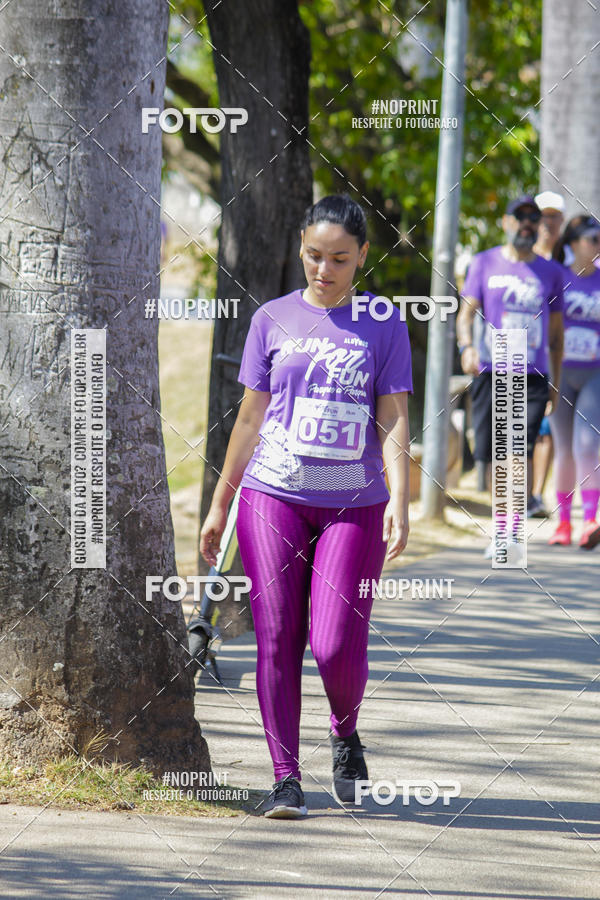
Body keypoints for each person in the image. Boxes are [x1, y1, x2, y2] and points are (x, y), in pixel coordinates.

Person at [199, 194, 413, 818]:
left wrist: (401, 496)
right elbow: (249, 418)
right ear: (300, 248)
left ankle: (345, 733)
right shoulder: (272, 318)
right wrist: (220, 503)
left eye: (339, 259)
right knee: (275, 636)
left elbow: (394, 413)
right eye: (315, 256)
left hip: (355, 502)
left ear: (362, 256)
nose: (324, 270)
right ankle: (285, 778)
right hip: (273, 494)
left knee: (335, 641)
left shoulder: (383, 321)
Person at [456, 195, 564, 554]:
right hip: (491, 369)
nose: (528, 224)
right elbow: (465, 314)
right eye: (521, 217)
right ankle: (504, 527)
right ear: (506, 222)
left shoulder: (551, 273)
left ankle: (509, 532)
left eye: (534, 218)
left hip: (532, 374)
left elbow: (557, 335)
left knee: (517, 449)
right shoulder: (485, 262)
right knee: (495, 453)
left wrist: (556, 382)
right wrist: (466, 347)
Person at [548, 214, 600, 549]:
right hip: (561, 373)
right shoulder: (559, 278)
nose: (598, 245)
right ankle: (564, 522)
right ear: (573, 243)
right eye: (593, 239)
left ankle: (591, 519)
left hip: (595, 373)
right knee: (563, 448)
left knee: (587, 445)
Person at [529, 191, 566, 517]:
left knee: (546, 429)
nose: (548, 222)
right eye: (544, 215)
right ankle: (523, 496)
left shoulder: (568, 262)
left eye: (555, 216)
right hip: (520, 358)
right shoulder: (522, 258)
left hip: (558, 356)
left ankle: (536, 495)